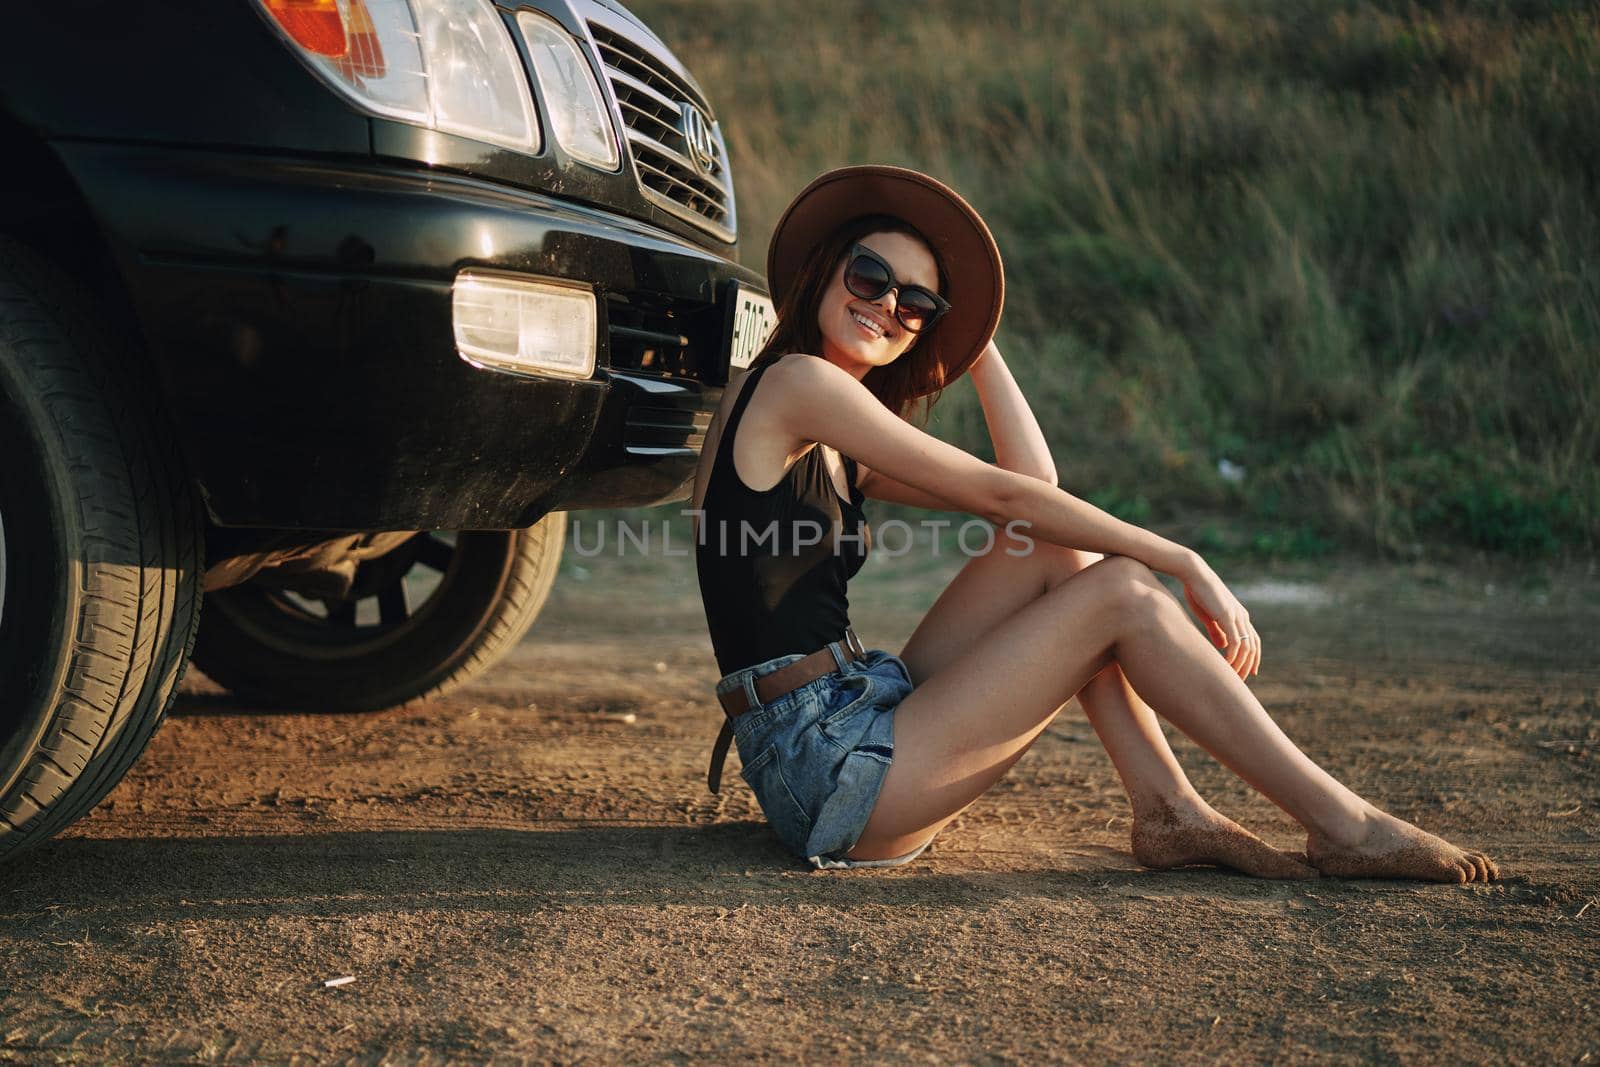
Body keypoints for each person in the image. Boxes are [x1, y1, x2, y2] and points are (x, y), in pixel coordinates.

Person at [690, 165, 1498, 882]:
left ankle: (1168, 807)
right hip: (827, 769)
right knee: (1127, 595)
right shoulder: (799, 384)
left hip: (854, 713)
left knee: (1059, 548)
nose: (887, 307)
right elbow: (1012, 496)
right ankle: (1341, 824)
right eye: (870, 276)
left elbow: (1035, 485)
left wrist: (970, 337)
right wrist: (1181, 557)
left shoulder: (831, 422)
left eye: (917, 302)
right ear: (825, 270)